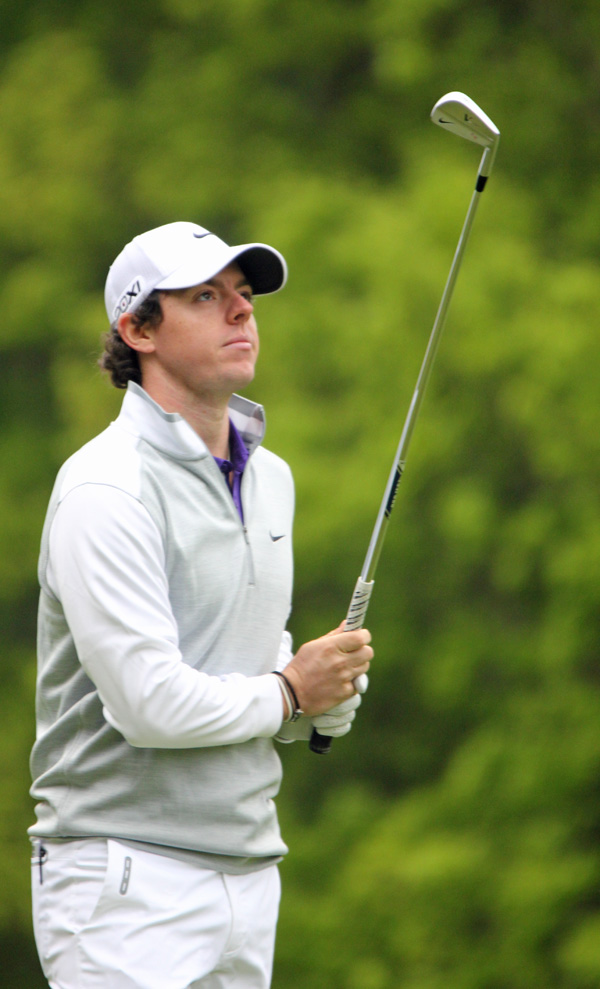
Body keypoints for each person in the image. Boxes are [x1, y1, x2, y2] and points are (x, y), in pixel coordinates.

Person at [29, 221, 373, 989]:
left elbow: (248, 669)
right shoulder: (104, 486)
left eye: (243, 294)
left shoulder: (272, 477)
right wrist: (290, 690)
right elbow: (149, 703)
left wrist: (320, 695)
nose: (242, 310)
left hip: (249, 871)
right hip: (122, 876)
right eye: (206, 297)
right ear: (138, 329)